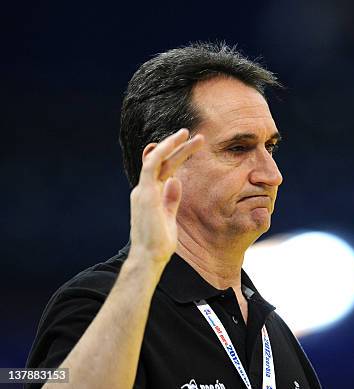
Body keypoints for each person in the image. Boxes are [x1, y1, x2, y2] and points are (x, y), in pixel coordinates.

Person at [26, 42, 322, 389]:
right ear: (165, 165)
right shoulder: (95, 304)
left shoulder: (274, 330)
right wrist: (145, 262)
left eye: (269, 148)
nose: (271, 175)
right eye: (238, 148)